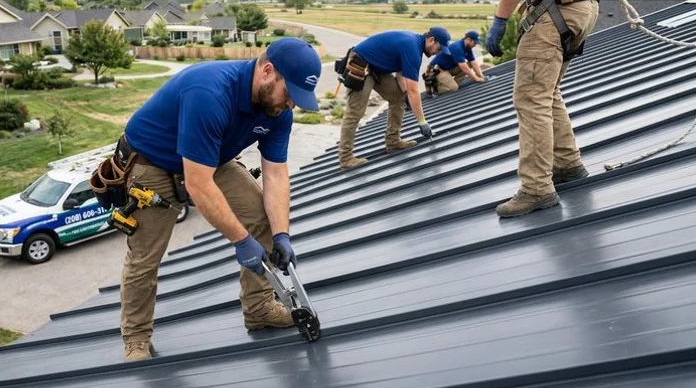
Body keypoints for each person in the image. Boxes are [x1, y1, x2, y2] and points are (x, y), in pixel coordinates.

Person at [114, 37, 322, 361]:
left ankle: (260, 309)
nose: (291, 105)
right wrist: (241, 241)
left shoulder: (278, 112)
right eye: (290, 94)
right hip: (152, 165)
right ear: (268, 72)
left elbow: (277, 175)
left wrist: (281, 234)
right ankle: (136, 339)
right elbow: (198, 184)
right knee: (145, 258)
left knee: (263, 218)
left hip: (212, 159)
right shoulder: (209, 92)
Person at [486, 0, 600, 217]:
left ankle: (536, 188)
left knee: (531, 99)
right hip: (582, 4)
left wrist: (501, 18)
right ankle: (567, 164)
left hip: (555, 6)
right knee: (548, 93)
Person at [337, 26, 451, 169]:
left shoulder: (414, 44)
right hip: (362, 64)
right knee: (355, 112)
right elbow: (413, 90)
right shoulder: (412, 48)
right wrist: (422, 122)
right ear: (431, 40)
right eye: (438, 49)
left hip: (378, 68)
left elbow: (400, 75)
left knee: (398, 98)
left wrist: (405, 96)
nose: (437, 53)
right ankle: (346, 158)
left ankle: (393, 142)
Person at [423, 31, 489, 95]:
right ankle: (434, 91)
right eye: (475, 43)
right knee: (453, 88)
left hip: (448, 68)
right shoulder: (457, 47)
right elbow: (463, 67)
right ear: (469, 39)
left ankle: (454, 84)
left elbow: (473, 62)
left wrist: (482, 76)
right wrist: (476, 79)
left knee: (469, 65)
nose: (475, 45)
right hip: (436, 70)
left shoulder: (467, 48)